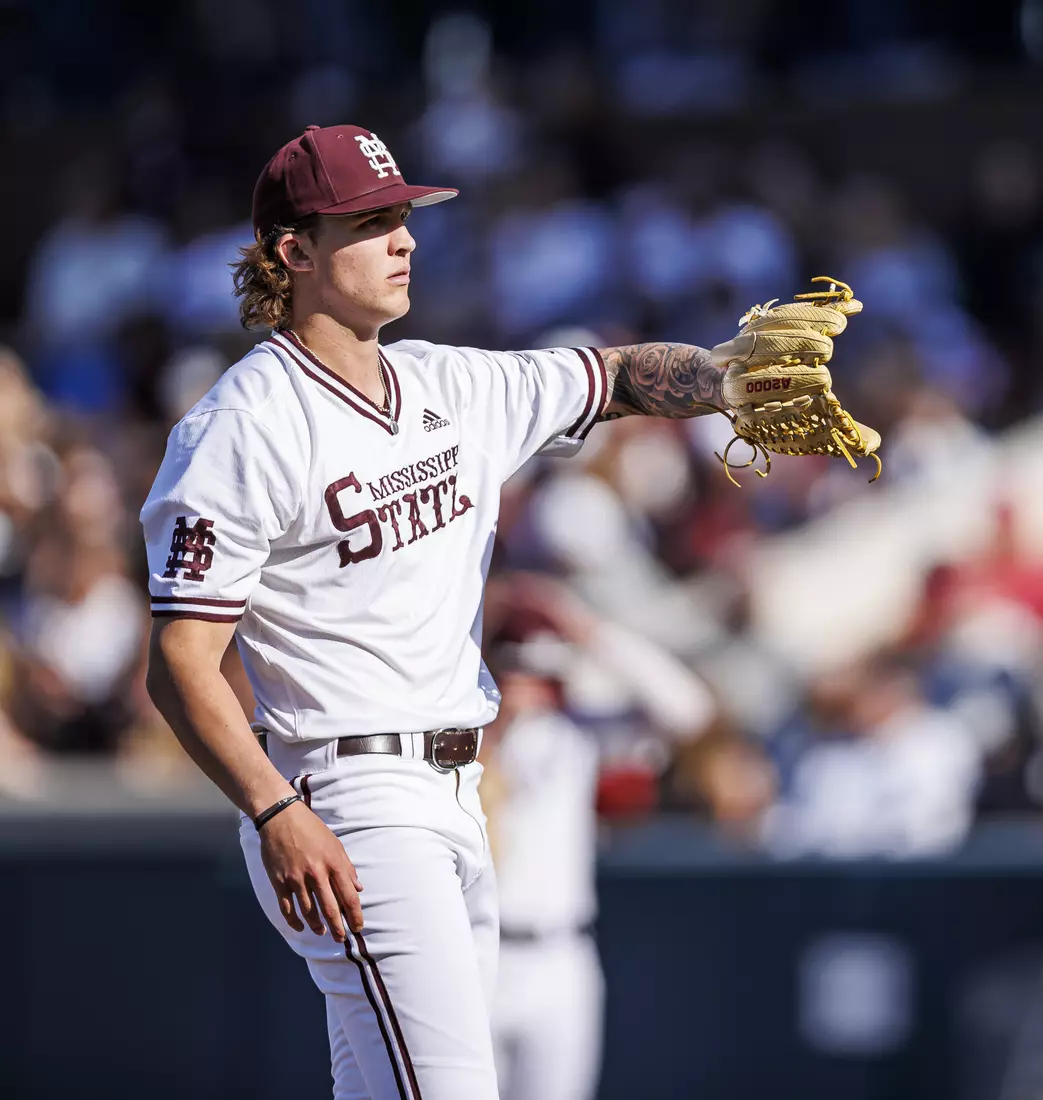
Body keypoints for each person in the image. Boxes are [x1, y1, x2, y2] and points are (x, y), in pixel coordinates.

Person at [139, 123, 838, 1100]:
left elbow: (614, 375)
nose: (403, 239)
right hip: (349, 790)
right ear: (293, 251)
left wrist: (721, 379)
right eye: (370, 222)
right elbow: (180, 659)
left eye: (403, 218)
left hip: (459, 789)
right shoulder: (241, 424)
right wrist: (274, 807)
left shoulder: (449, 383)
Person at [482, 576, 714, 1100]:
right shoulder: (460, 736)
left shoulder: (574, 735)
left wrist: (585, 630)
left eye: (538, 673)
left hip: (562, 953)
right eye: (514, 667)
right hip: (481, 954)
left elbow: (688, 710)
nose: (526, 685)